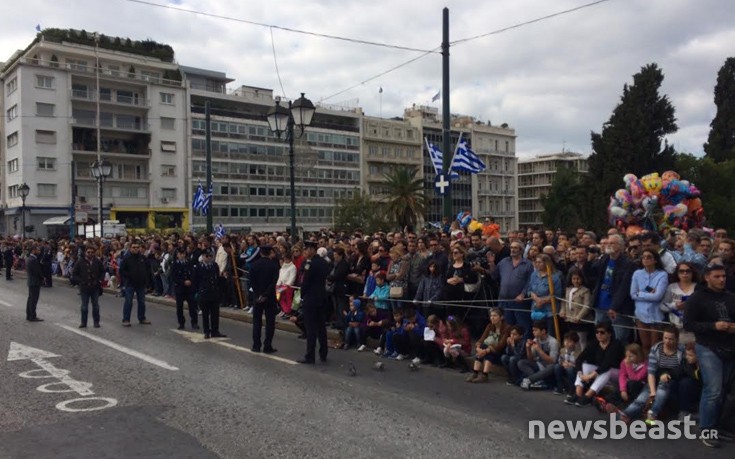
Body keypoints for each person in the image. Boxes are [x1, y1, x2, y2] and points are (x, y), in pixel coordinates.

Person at [683, 263, 735, 448]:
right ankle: (707, 429)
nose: (722, 280)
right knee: (712, 390)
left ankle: (716, 426)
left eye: (723, 276)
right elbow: (688, 324)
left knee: (722, 391)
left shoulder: (730, 297)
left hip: (729, 347)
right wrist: (714, 326)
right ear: (707, 277)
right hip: (708, 347)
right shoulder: (697, 298)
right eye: (717, 276)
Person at [615, 326, 684, 425]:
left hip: (672, 377)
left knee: (663, 384)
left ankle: (653, 414)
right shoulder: (656, 349)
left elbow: (681, 368)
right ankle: (626, 414)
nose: (667, 341)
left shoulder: (681, 350)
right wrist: (652, 392)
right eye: (665, 338)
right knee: (643, 396)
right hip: (656, 376)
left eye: (671, 339)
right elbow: (651, 372)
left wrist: (668, 375)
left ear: (676, 339)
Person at [565, 321, 625, 407]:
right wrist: (580, 372)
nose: (599, 334)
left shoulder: (616, 344)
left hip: (616, 372)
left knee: (607, 370)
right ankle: (578, 393)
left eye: (602, 332)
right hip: (600, 370)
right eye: (597, 332)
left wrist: (590, 376)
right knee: (585, 366)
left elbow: (607, 364)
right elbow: (579, 359)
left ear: (609, 334)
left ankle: (588, 396)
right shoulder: (594, 343)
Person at [630, 248, 668, 355]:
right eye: (643, 257)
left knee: (655, 346)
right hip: (641, 315)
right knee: (645, 345)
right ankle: (646, 370)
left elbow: (658, 296)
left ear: (655, 260)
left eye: (649, 257)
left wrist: (640, 293)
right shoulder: (637, 273)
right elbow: (632, 294)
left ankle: (655, 370)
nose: (646, 259)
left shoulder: (662, 274)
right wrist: (649, 294)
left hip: (656, 315)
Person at [298, 240, 330, 364]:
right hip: (321, 297)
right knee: (321, 327)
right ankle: (323, 353)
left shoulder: (310, 264)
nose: (305, 252)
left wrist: (302, 295)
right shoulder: (323, 262)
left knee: (311, 328)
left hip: (311, 298)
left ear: (312, 250)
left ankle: (310, 355)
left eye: (306, 249)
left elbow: (305, 281)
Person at [467, 307, 511, 383]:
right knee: (484, 348)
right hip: (487, 351)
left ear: (501, 317)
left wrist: (485, 350)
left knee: (486, 349)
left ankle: (481, 374)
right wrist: (478, 348)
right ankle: (478, 373)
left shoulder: (507, 328)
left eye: (495, 316)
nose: (492, 318)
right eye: (491, 316)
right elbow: (481, 339)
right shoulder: (490, 326)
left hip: (499, 352)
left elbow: (500, 345)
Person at [249, 245, 280, 353]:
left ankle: (256, 345)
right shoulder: (274, 266)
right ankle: (268, 346)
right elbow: (274, 282)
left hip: (257, 297)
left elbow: (252, 282)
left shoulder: (254, 265)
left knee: (257, 321)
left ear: (261, 253)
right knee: (270, 322)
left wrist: (258, 295)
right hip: (270, 297)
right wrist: (266, 294)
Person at [194, 249, 227, 339]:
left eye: (210, 256)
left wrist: (219, 290)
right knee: (205, 314)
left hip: (214, 293)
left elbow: (217, 279)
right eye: (207, 256)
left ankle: (215, 331)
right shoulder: (198, 267)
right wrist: (198, 292)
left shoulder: (214, 266)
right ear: (203, 256)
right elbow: (196, 281)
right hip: (204, 293)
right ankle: (206, 331)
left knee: (215, 314)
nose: (209, 258)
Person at [519, 320, 560, 390]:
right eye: (533, 330)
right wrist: (528, 348)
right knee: (521, 362)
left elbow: (552, 361)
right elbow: (530, 359)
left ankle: (530, 380)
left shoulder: (553, 342)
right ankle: (537, 381)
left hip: (548, 368)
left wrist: (539, 350)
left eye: (535, 330)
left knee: (553, 366)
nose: (533, 332)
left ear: (543, 331)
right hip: (539, 365)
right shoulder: (536, 340)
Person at [71, 245, 105, 328]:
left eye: (92, 252)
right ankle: (83, 322)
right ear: (85, 252)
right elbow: (74, 274)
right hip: (84, 287)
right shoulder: (80, 261)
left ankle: (96, 322)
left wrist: (100, 279)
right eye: (88, 252)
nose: (90, 254)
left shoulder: (97, 261)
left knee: (96, 305)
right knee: (84, 306)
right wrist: (80, 281)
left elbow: (102, 271)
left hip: (95, 287)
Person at [560, 267, 593, 349]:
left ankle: (583, 357)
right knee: (573, 339)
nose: (576, 281)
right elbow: (564, 301)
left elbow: (587, 305)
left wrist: (579, 316)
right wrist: (562, 311)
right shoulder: (568, 289)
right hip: (570, 319)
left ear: (582, 279)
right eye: (574, 279)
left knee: (582, 340)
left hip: (581, 321)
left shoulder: (585, 290)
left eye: (578, 279)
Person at [119, 241, 150, 327]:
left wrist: (146, 282)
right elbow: (121, 271)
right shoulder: (126, 258)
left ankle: (142, 318)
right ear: (130, 248)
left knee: (142, 302)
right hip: (130, 283)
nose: (136, 249)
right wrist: (126, 280)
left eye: (137, 247)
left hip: (141, 284)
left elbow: (147, 270)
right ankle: (126, 319)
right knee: (128, 301)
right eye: (134, 247)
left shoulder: (143, 258)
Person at [170, 248, 199, 330]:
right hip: (180, 288)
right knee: (179, 307)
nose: (182, 255)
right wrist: (183, 282)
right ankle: (181, 323)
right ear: (177, 255)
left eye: (183, 254)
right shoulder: (175, 265)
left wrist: (190, 281)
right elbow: (174, 277)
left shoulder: (189, 263)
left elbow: (193, 274)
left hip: (189, 288)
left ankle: (194, 322)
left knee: (192, 306)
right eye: (180, 254)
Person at [25, 243, 44, 322]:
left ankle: (29, 315)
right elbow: (37, 272)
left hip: (31, 281)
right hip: (34, 282)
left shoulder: (29, 258)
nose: (39, 251)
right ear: (33, 250)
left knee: (30, 299)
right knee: (33, 300)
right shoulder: (33, 260)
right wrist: (42, 278)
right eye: (37, 250)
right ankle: (32, 316)